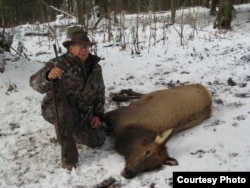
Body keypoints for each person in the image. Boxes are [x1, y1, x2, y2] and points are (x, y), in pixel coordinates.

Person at [30, 31, 106, 170]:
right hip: (57, 107)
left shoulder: (95, 67)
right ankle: (69, 158)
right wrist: (48, 76)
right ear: (70, 48)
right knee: (64, 115)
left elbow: (100, 92)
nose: (84, 50)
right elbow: (34, 84)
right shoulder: (57, 64)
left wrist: (98, 115)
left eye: (86, 47)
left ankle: (72, 130)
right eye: (80, 46)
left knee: (98, 140)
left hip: (82, 111)